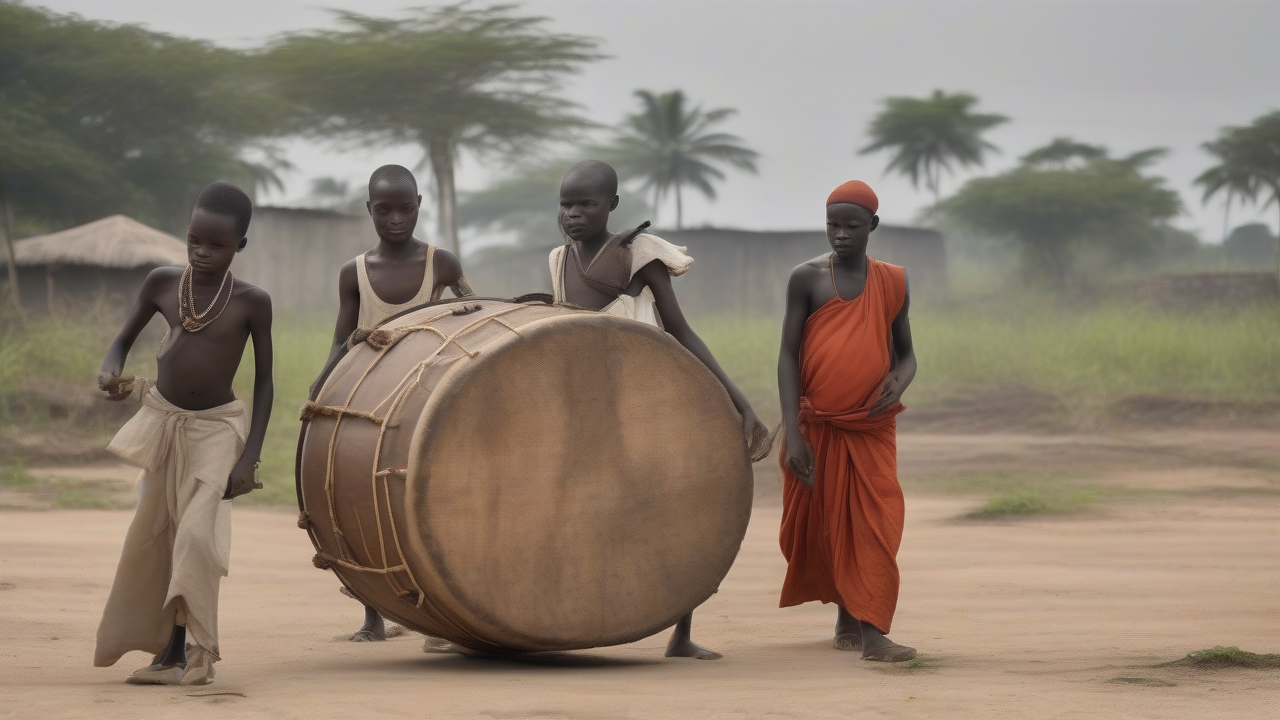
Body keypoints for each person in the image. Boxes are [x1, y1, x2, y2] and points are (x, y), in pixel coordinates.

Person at [550, 160, 771, 660]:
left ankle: (682, 632)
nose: (573, 214)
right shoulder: (557, 260)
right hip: (584, 409)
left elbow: (680, 330)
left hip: (646, 402)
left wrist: (740, 402)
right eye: (566, 204)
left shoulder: (639, 254)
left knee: (672, 509)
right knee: (579, 513)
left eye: (586, 203)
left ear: (612, 205)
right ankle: (566, 618)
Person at [95, 181, 274, 685]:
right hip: (163, 420)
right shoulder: (160, 283)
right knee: (159, 535)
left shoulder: (252, 302)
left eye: (215, 244)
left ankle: (201, 648)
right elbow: (121, 341)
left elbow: (264, 384)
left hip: (218, 430)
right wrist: (110, 372)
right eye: (194, 240)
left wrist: (249, 458)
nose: (201, 252)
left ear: (239, 245)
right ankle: (170, 654)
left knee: (198, 535)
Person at [310, 164, 470, 646]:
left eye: (405, 209)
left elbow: (475, 309)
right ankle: (373, 616)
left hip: (425, 394)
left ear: (420, 205)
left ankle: (442, 615)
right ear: (369, 211)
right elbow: (342, 337)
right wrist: (320, 386)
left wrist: (463, 312)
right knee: (363, 498)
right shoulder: (354, 272)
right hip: (371, 399)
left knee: (430, 496)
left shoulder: (441, 262)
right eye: (384, 210)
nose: (395, 220)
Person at [776, 180, 918, 662]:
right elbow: (788, 356)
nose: (840, 234)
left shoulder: (893, 281)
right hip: (817, 426)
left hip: (871, 426)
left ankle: (875, 631)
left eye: (852, 226)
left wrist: (900, 380)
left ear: (872, 226)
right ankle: (847, 610)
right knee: (828, 525)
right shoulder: (806, 278)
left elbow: (908, 355)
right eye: (832, 224)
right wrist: (793, 433)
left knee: (875, 522)